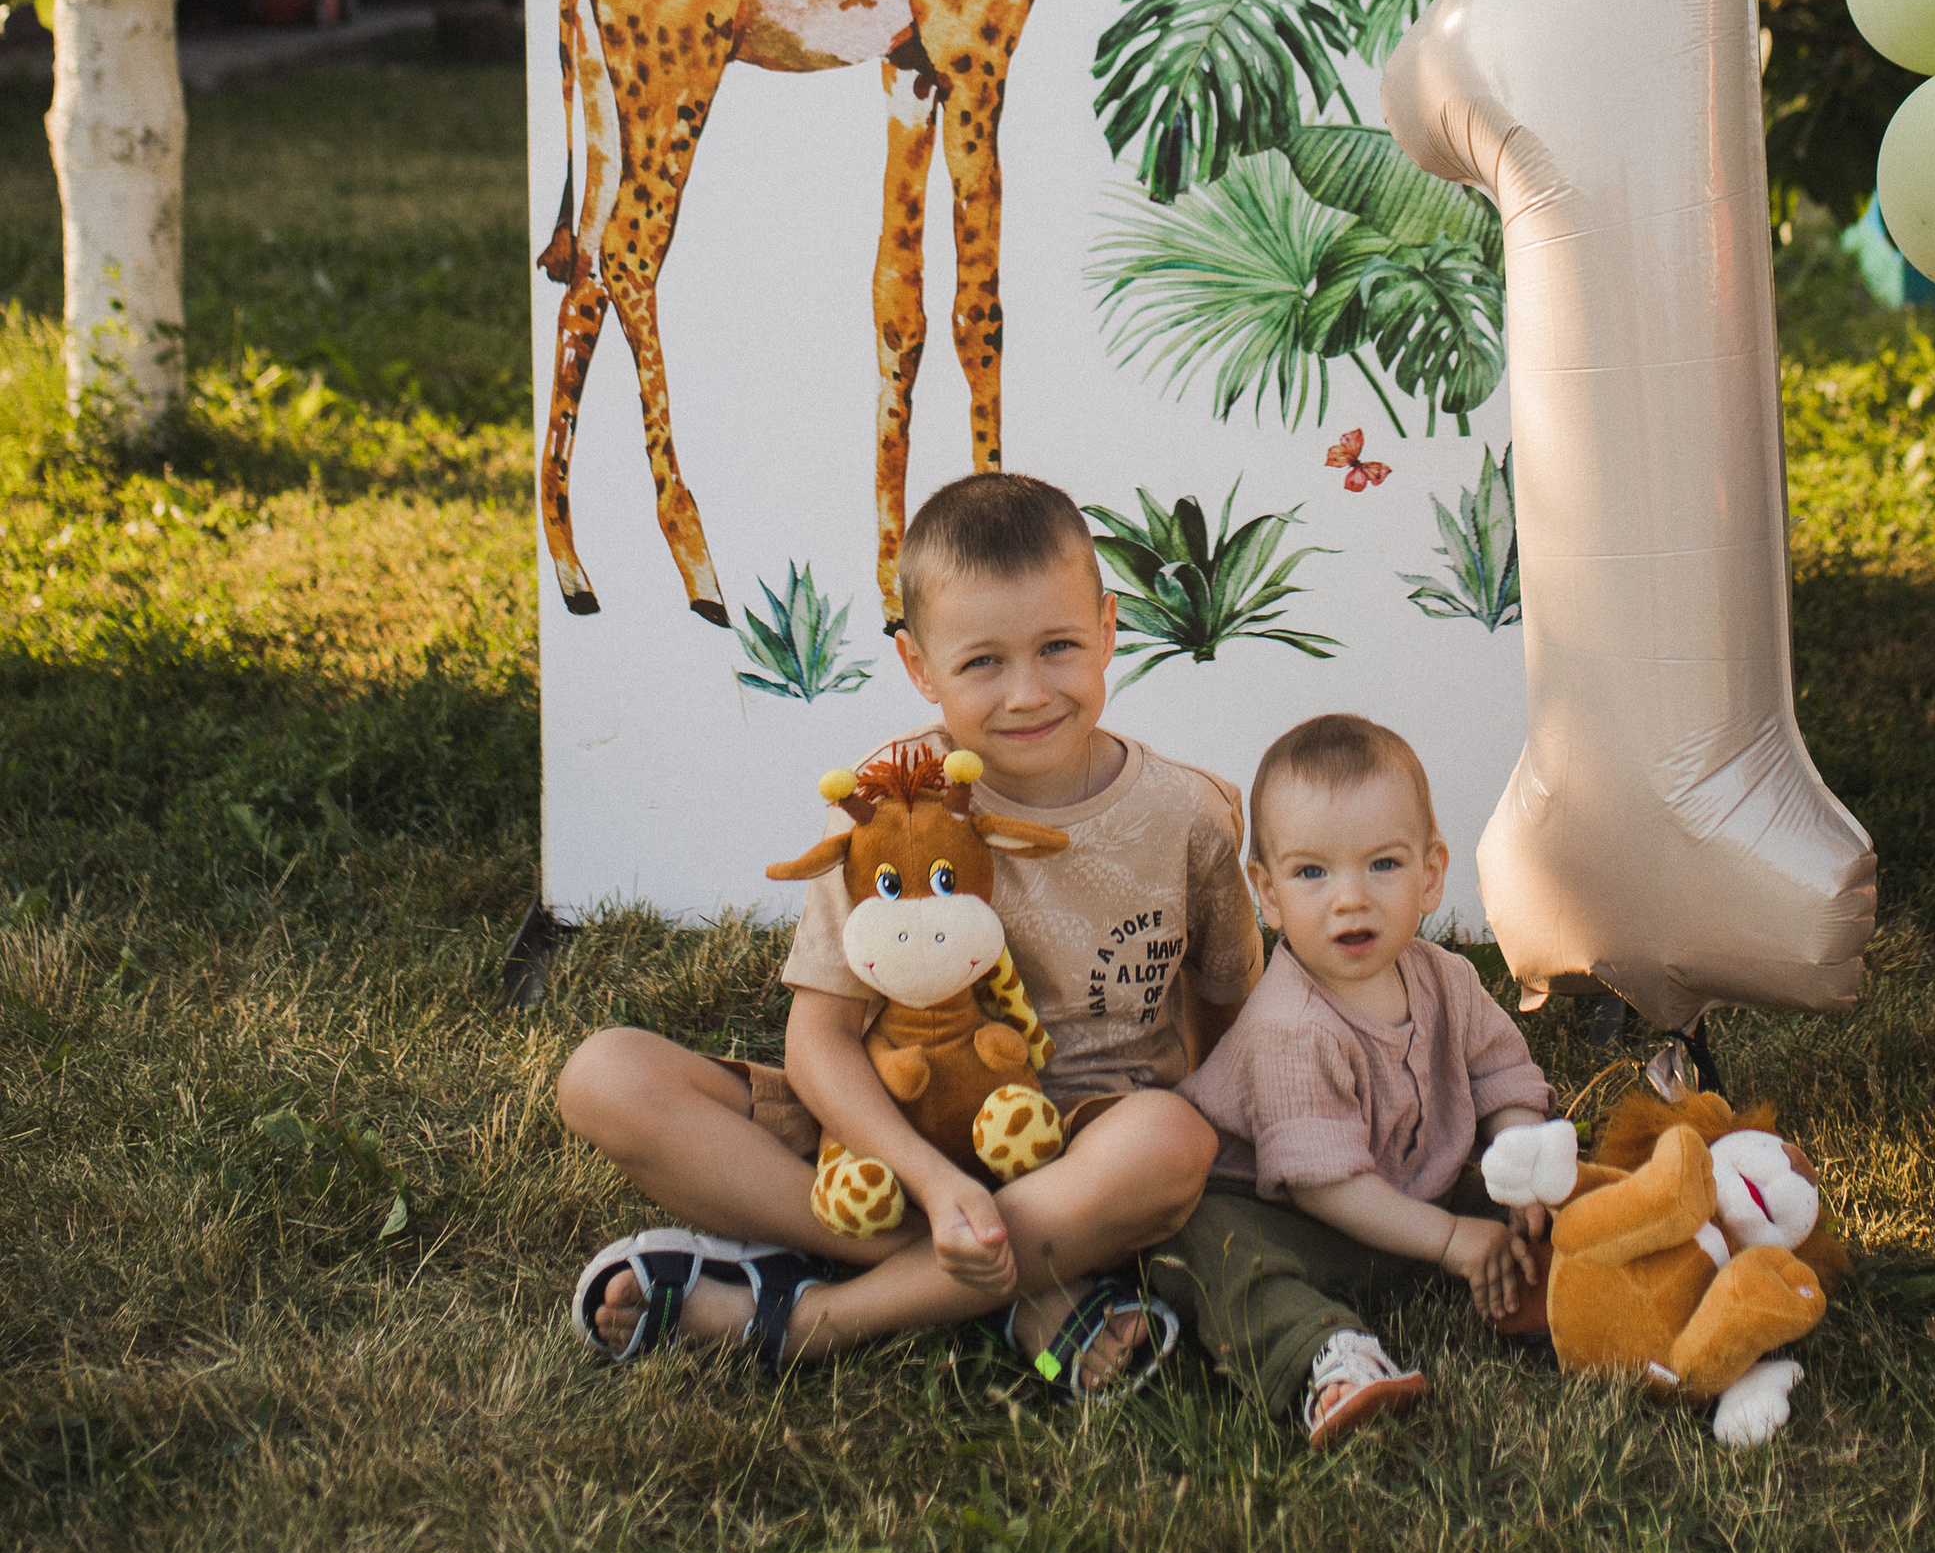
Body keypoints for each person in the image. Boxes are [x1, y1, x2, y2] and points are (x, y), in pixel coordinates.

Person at [559, 470, 1258, 1391]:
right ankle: (1010, 1285)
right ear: (919, 667)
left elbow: (1229, 1012)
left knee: (1172, 1142)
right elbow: (818, 1040)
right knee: (604, 1076)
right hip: (895, 1126)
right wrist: (934, 1181)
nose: (1027, 693)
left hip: (1083, 1147)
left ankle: (823, 1316)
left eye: (1058, 647)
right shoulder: (890, 802)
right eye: (981, 663)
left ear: (1108, 629)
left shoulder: (1191, 815)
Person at [1156, 711, 1568, 1449]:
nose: (1350, 898)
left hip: (1411, 1189)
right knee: (1216, 1254)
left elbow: (1503, 1072)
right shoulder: (1292, 1025)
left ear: (1431, 874)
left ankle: (1589, 1275)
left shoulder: (1445, 978)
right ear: (1269, 892)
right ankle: (1327, 1357)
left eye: (1382, 864)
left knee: (1538, 1206)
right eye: (1312, 872)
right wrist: (1448, 1241)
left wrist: (1521, 1158)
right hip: (1283, 1211)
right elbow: (1324, 1185)